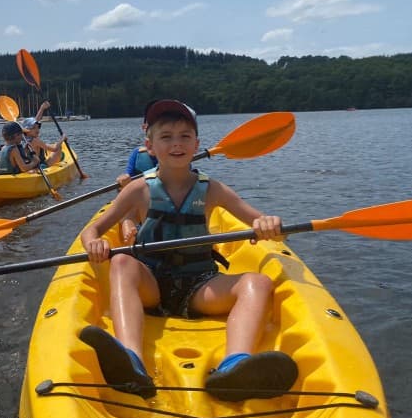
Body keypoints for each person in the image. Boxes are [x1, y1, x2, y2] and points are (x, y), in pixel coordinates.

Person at [79, 99, 297, 401]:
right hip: (151, 285)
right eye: (166, 136)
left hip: (199, 286)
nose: (176, 143)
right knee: (121, 263)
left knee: (258, 282)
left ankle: (235, 366)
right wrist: (94, 243)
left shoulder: (213, 189)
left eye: (185, 136)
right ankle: (131, 361)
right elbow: (92, 230)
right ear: (150, 146)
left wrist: (269, 224)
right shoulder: (138, 189)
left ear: (197, 144)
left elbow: (258, 218)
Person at [115, 100, 158, 188]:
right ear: (144, 127)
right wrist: (124, 179)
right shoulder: (137, 154)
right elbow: (128, 176)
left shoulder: (178, 154)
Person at [21, 101, 66, 167]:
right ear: (27, 130)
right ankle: (58, 158)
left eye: (38, 127)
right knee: (59, 148)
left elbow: (35, 121)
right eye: (34, 128)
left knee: (48, 148)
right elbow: (54, 149)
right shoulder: (35, 140)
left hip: (29, 165)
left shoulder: (22, 138)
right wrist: (62, 139)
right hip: (40, 166)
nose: (37, 130)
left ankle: (58, 157)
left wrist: (42, 108)